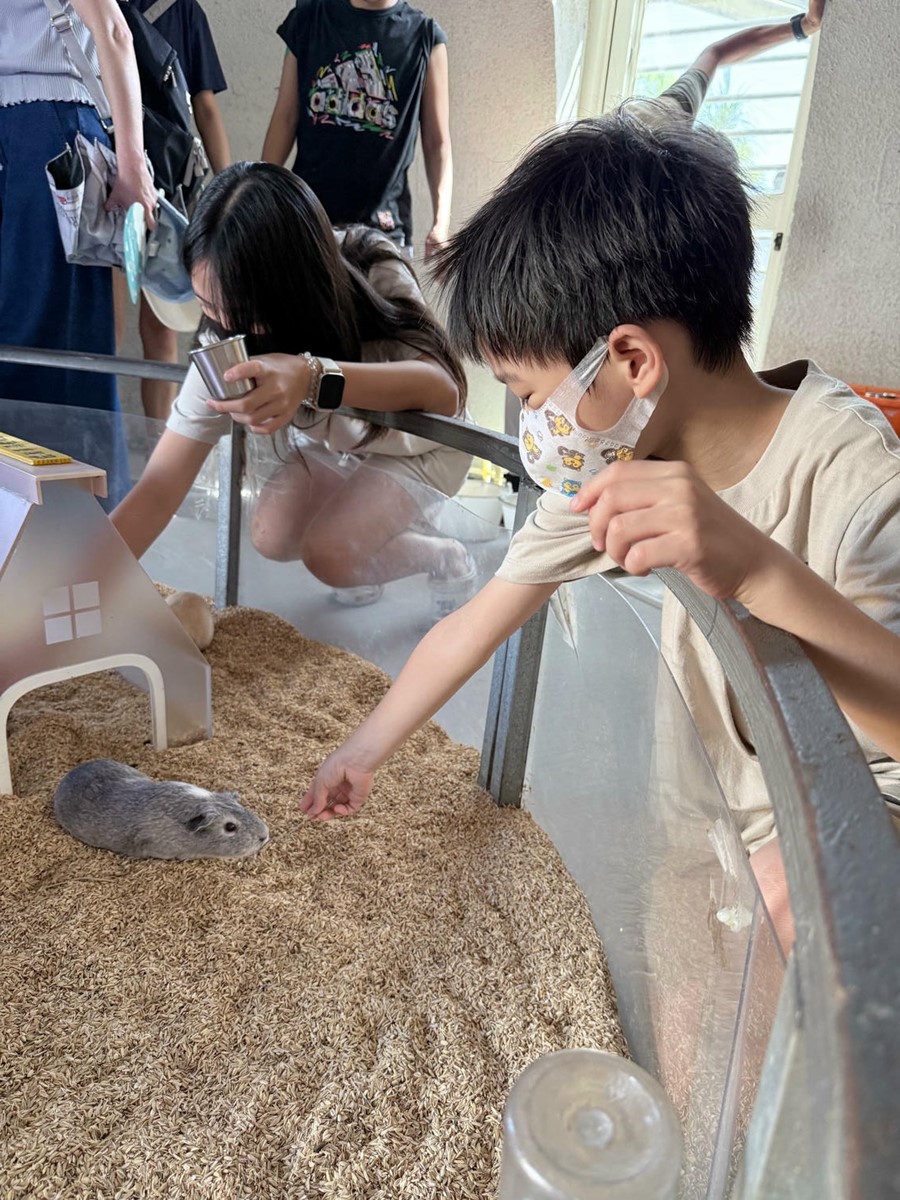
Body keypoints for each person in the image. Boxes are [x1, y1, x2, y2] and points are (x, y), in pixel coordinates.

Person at [298, 102, 900, 957]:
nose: (532, 422)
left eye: (531, 392)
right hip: (719, 835)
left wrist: (757, 566)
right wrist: (360, 750)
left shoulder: (853, 476)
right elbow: (477, 622)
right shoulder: (621, 460)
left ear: (631, 362)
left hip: (849, 847)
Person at [110, 161, 475, 615]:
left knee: (331, 555)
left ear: (295, 289)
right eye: (208, 304)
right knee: (272, 533)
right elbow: (159, 486)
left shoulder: (369, 261)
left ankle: (442, 555)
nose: (225, 324)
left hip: (421, 445)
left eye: (242, 310)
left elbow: (443, 391)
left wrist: (311, 375)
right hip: (345, 439)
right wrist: (80, 584)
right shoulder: (222, 334)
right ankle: (367, 541)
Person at [0, 0, 156, 498]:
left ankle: (23, 531)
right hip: (51, 133)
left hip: (37, 135)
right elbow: (112, 30)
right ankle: (79, 536)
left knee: (22, 349)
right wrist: (133, 166)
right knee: (65, 352)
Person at [114, 0, 232, 421]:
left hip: (119, 181)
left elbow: (206, 108)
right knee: (151, 332)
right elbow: (205, 108)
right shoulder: (183, 10)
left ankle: (153, 447)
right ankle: (153, 446)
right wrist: (226, 188)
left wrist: (227, 191)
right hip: (162, 191)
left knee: (141, 331)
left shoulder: (182, 10)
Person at [261, 0, 451, 260]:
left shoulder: (426, 37)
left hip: (384, 233)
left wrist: (441, 224)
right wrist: (257, 197)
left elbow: (437, 143)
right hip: (307, 222)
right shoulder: (308, 20)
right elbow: (285, 118)